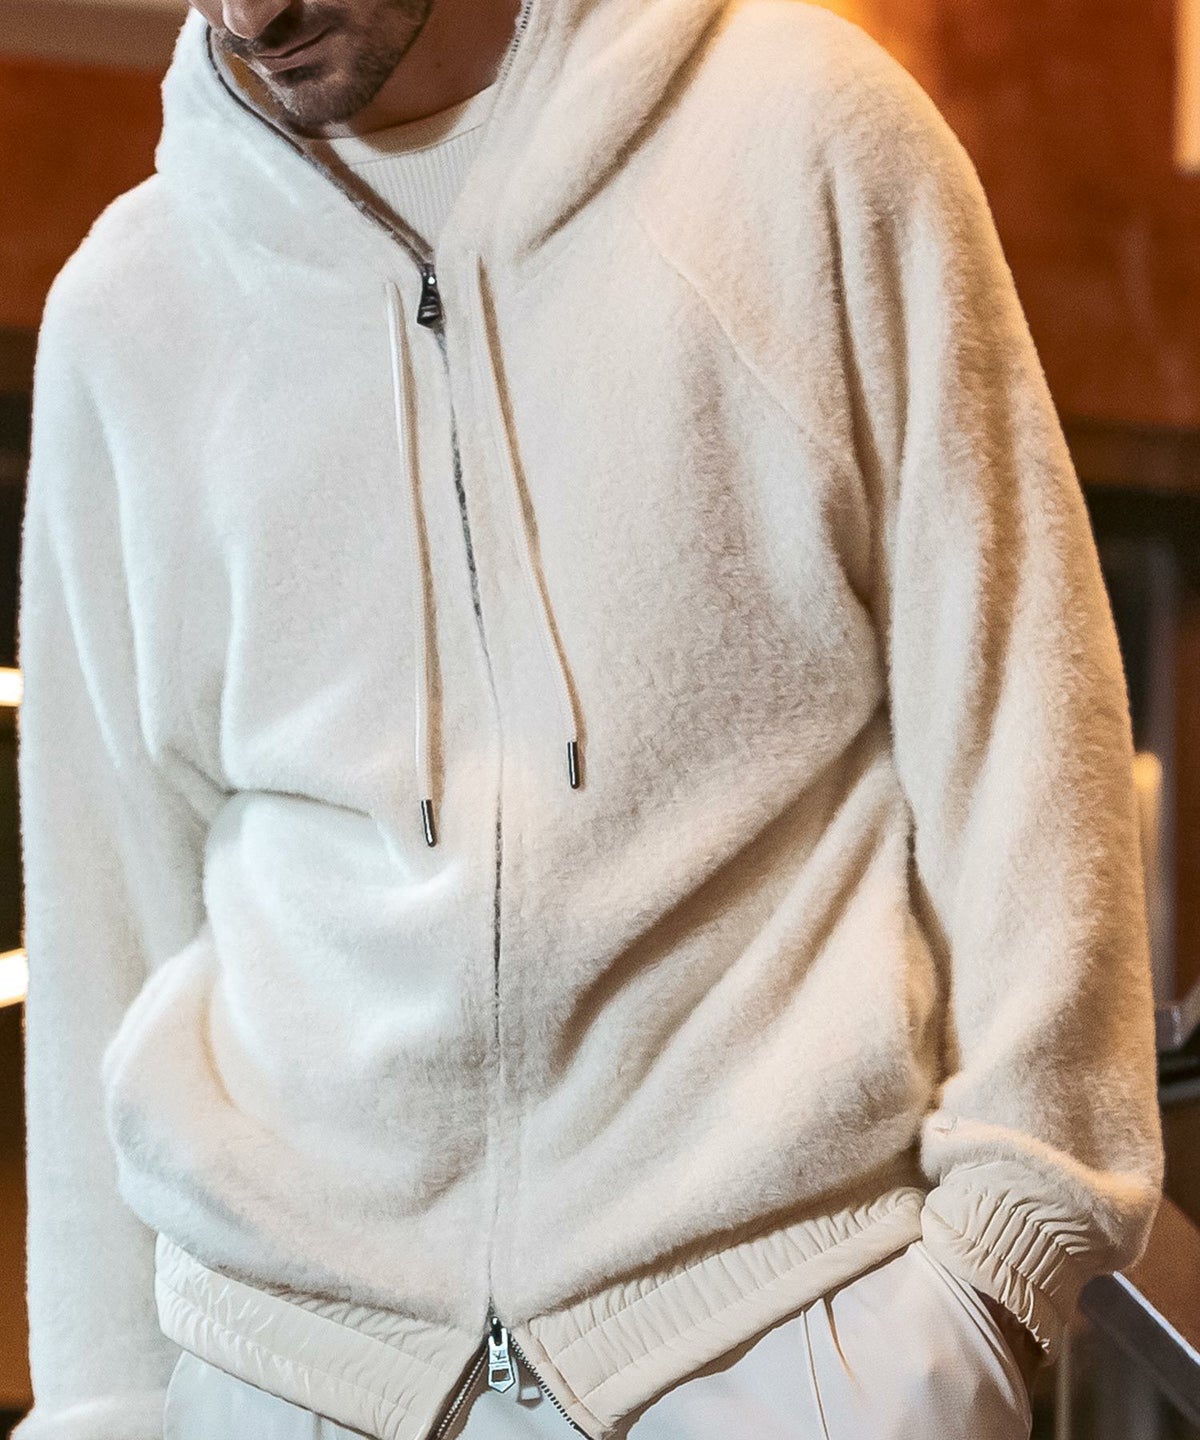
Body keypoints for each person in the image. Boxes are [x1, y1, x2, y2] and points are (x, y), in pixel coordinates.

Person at [13, 0, 1165, 1434]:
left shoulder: (806, 135)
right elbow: (99, 906)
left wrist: (999, 1270)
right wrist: (105, 1406)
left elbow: (1020, 713)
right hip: (278, 1371)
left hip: (785, 1335)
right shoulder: (132, 308)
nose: (256, 16)